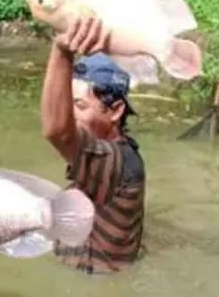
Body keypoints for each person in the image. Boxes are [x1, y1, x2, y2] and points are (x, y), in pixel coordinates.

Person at [40, 15, 146, 275]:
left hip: (93, 284)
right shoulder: (106, 155)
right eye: (69, 105)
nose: (71, 116)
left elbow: (57, 132)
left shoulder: (116, 161)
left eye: (80, 106)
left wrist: (62, 51)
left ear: (115, 110)